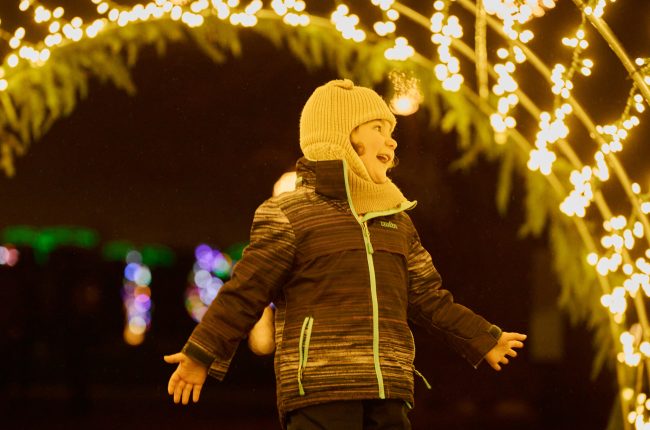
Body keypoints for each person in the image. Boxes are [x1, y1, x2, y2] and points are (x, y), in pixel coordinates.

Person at [164, 79, 526, 429]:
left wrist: (482, 337)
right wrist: (201, 354)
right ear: (345, 135)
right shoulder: (290, 214)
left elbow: (428, 297)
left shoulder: (396, 221)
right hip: (321, 389)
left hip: (387, 387)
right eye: (379, 128)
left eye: (391, 131)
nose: (392, 140)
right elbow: (247, 290)